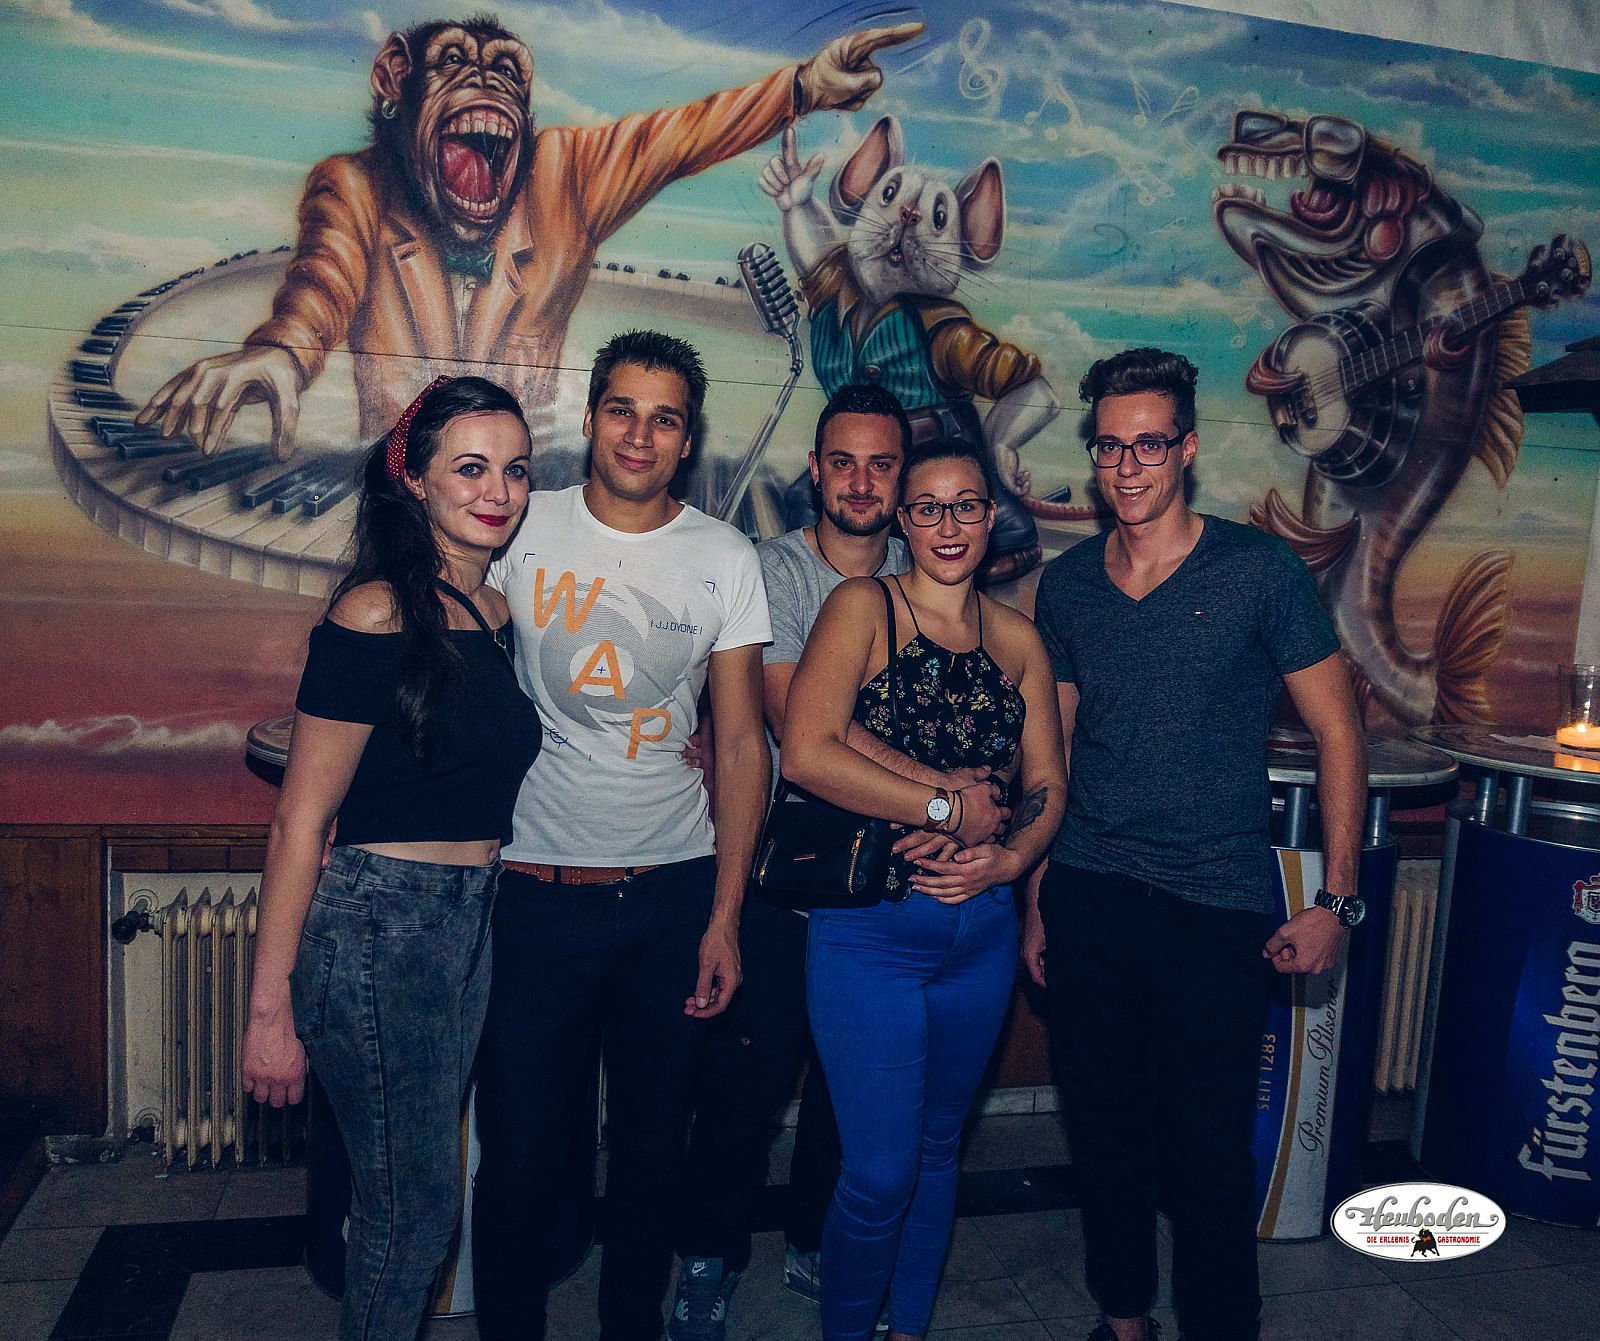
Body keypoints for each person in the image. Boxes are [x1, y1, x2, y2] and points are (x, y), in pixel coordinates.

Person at [1023, 347, 1367, 1341]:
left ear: (1186, 449)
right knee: (1107, 1142)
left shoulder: (1258, 572)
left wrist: (1337, 901)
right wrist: (1036, 897)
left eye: (1149, 445)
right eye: (1109, 446)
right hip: (1089, 894)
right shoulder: (1068, 586)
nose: (1127, 466)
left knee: (1208, 1157)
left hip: (1215, 906)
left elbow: (1340, 732)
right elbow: (1054, 757)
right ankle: (1124, 1321)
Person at [666, 385, 1007, 1340]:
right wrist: (947, 794)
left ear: (905, 480)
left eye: (882, 464)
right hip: (788, 872)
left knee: (854, 1102)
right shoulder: (770, 569)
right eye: (844, 462)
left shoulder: (926, 569)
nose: (861, 481)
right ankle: (706, 1258)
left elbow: (994, 713)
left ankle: (820, 1241)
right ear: (815, 470)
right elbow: (799, 719)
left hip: (895, 888)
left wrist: (975, 803)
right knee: (747, 1086)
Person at [471, 330, 774, 1340]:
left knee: (649, 1154)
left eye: (664, 418)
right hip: (532, 897)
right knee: (520, 1159)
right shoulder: (521, 528)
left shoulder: (724, 557)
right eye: (622, 410)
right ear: (592, 417)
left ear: (687, 438)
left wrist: (726, 917)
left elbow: (741, 743)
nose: (640, 435)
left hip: (671, 898)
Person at [240, 376, 542, 1341]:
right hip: (381, 927)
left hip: (468, 921)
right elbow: (299, 823)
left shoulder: (492, 608)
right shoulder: (373, 612)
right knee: (413, 1214)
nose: (498, 490)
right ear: (414, 478)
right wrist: (269, 1013)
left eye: (516, 470)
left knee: (413, 1204)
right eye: (471, 467)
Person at [782, 441, 1068, 1341]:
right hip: (870, 933)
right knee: (878, 1173)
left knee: (940, 1151)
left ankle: (908, 1328)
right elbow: (806, 750)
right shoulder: (863, 606)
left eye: (968, 505)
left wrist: (1009, 862)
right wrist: (948, 807)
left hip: (980, 934)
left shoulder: (1018, 639)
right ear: (904, 520)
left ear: (991, 517)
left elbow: (1048, 784)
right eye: (929, 507)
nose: (950, 524)